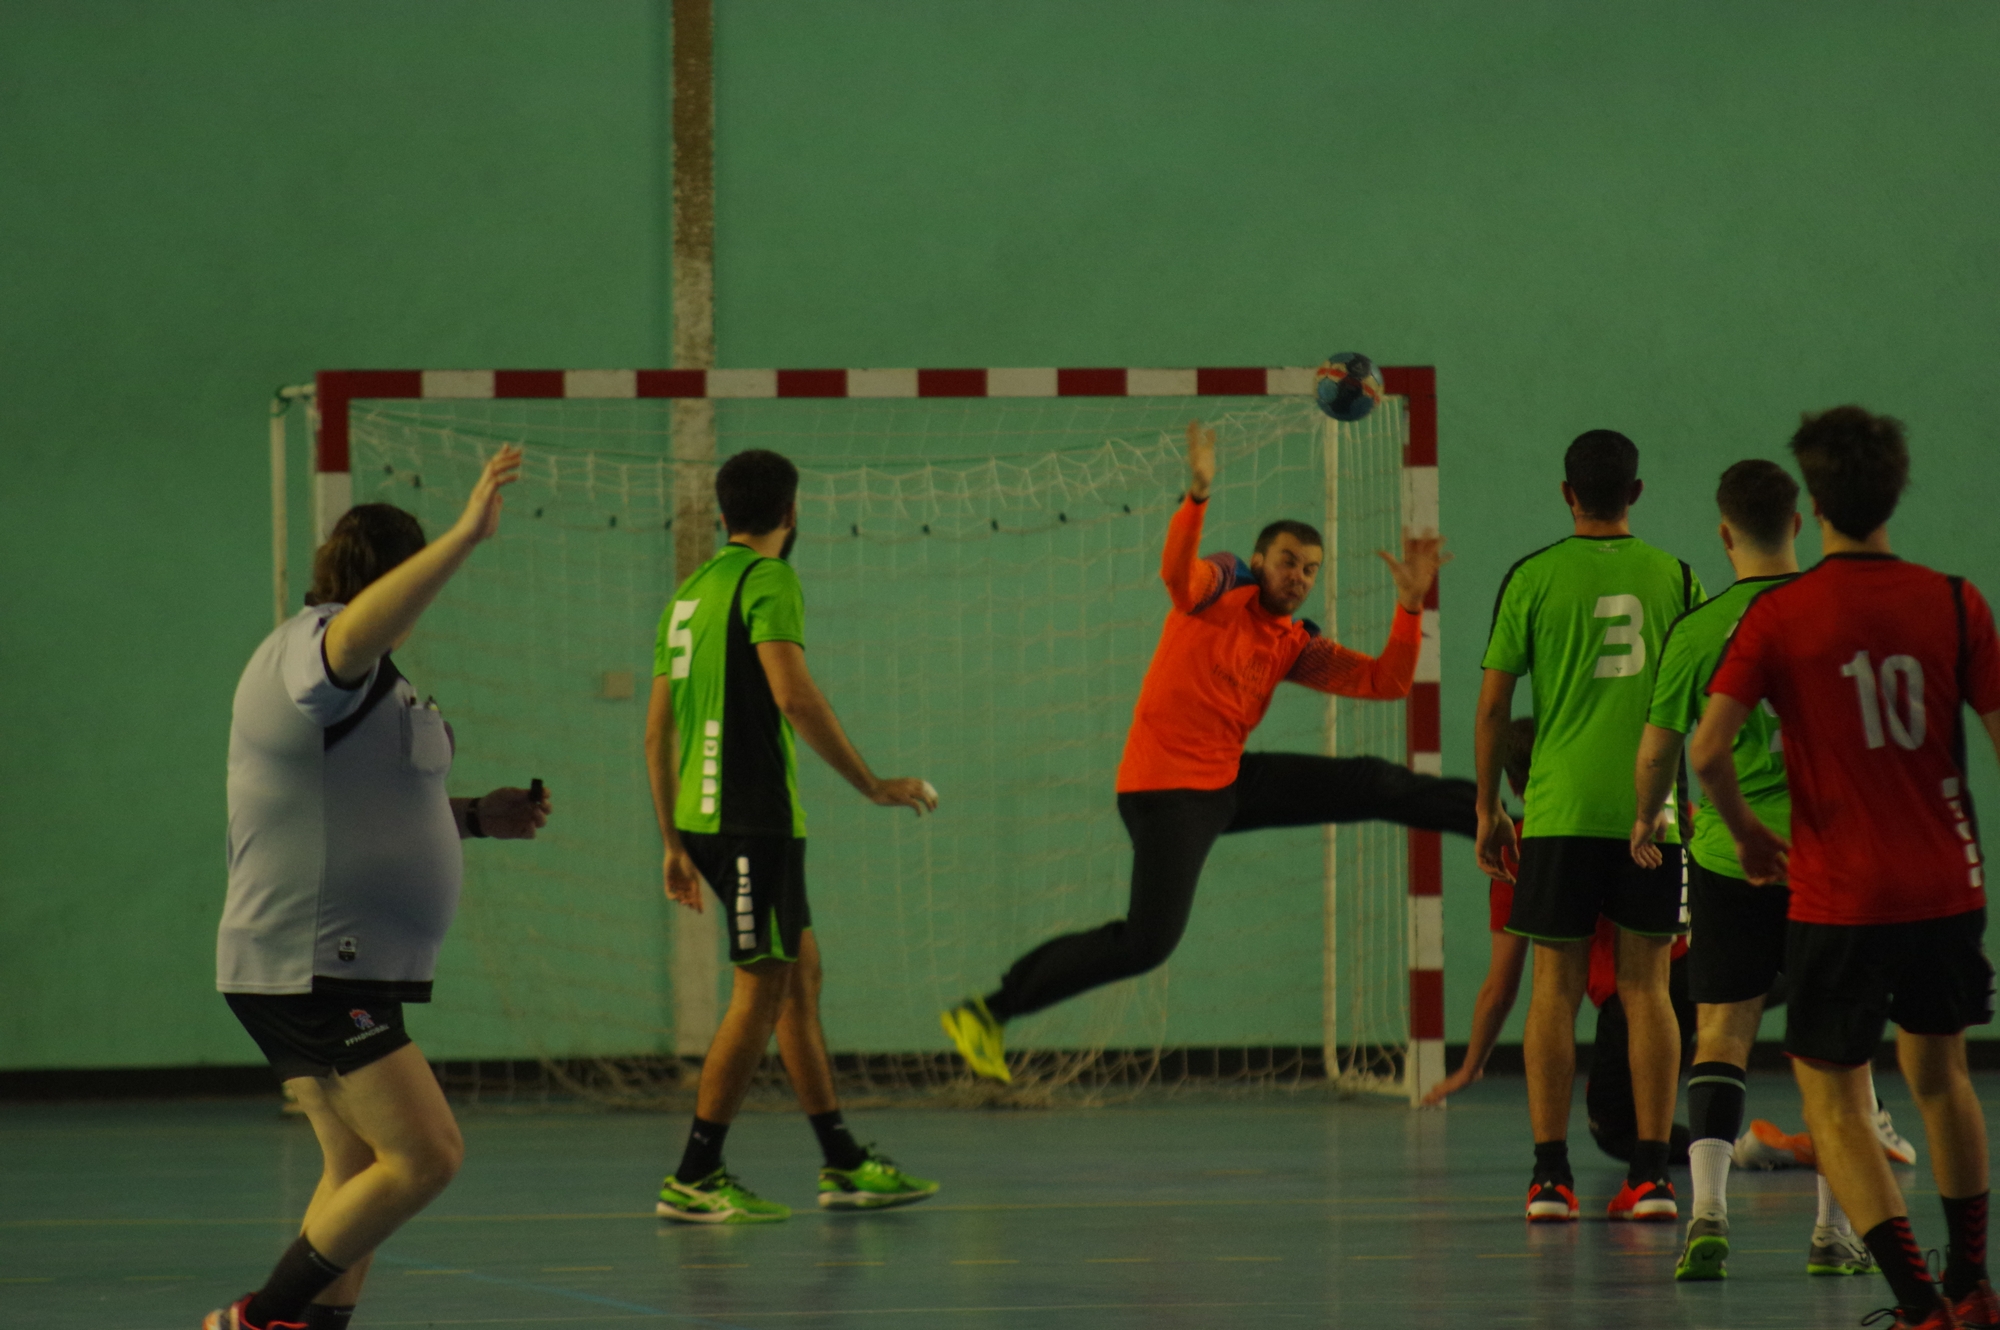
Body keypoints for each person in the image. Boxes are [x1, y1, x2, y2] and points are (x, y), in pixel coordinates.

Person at [942, 419, 1465, 1082]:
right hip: (1166, 792)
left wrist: (1410, 608)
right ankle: (987, 1013)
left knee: (1372, 782)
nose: (1299, 577)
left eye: (1310, 569)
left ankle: (1502, 828)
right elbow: (1177, 577)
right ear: (1260, 560)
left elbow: (1386, 682)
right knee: (1146, 944)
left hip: (1226, 781)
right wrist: (1197, 495)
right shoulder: (1223, 583)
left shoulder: (1294, 643)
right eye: (1287, 562)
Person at [204, 449, 553, 1330]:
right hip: (313, 964)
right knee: (427, 1156)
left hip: (336, 962)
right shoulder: (319, 649)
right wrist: (465, 536)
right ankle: (255, 1320)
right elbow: (353, 639)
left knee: (358, 1169)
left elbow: (360, 807)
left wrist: (475, 817)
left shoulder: (371, 685)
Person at [1693, 406, 2000, 1330]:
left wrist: (1748, 834)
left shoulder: (1780, 615)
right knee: (1943, 1075)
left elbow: (1707, 752)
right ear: (1894, 494)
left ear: (1812, 508)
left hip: (1840, 896)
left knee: (1831, 1088)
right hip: (1946, 882)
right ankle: (1972, 1285)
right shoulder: (1956, 601)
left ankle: (1916, 1304)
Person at [647, 449, 940, 1223]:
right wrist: (872, 783)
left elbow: (656, 732)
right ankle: (695, 1175)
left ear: (722, 514)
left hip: (705, 822)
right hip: (753, 822)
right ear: (791, 512)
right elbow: (795, 695)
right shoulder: (769, 579)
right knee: (761, 990)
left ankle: (843, 1163)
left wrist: (673, 843)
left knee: (799, 977)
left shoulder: (687, 595)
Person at [1632, 457, 1877, 1281]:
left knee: (1721, 1032)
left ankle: (1707, 1211)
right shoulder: (1838, 612)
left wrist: (1647, 817)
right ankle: (1834, 1232)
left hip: (1729, 859)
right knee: (1837, 1048)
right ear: (1799, 524)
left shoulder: (1698, 631)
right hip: (1827, 861)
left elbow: (1661, 751)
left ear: (1724, 533)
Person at [1475, 429, 1704, 1224]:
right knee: (1648, 989)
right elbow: (1706, 701)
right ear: (1635, 493)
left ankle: (1550, 1180)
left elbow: (1495, 707)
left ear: (1566, 494)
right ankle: (1652, 1177)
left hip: (1560, 810)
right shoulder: (1678, 576)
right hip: (1654, 813)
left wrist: (1487, 807)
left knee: (1554, 990)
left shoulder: (1531, 576)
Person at [1426, 718, 1534, 1105]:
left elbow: (1500, 990)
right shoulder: (1650, 820)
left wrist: (1471, 1066)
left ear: (1512, 786)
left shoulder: (1518, 852)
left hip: (1621, 1004)